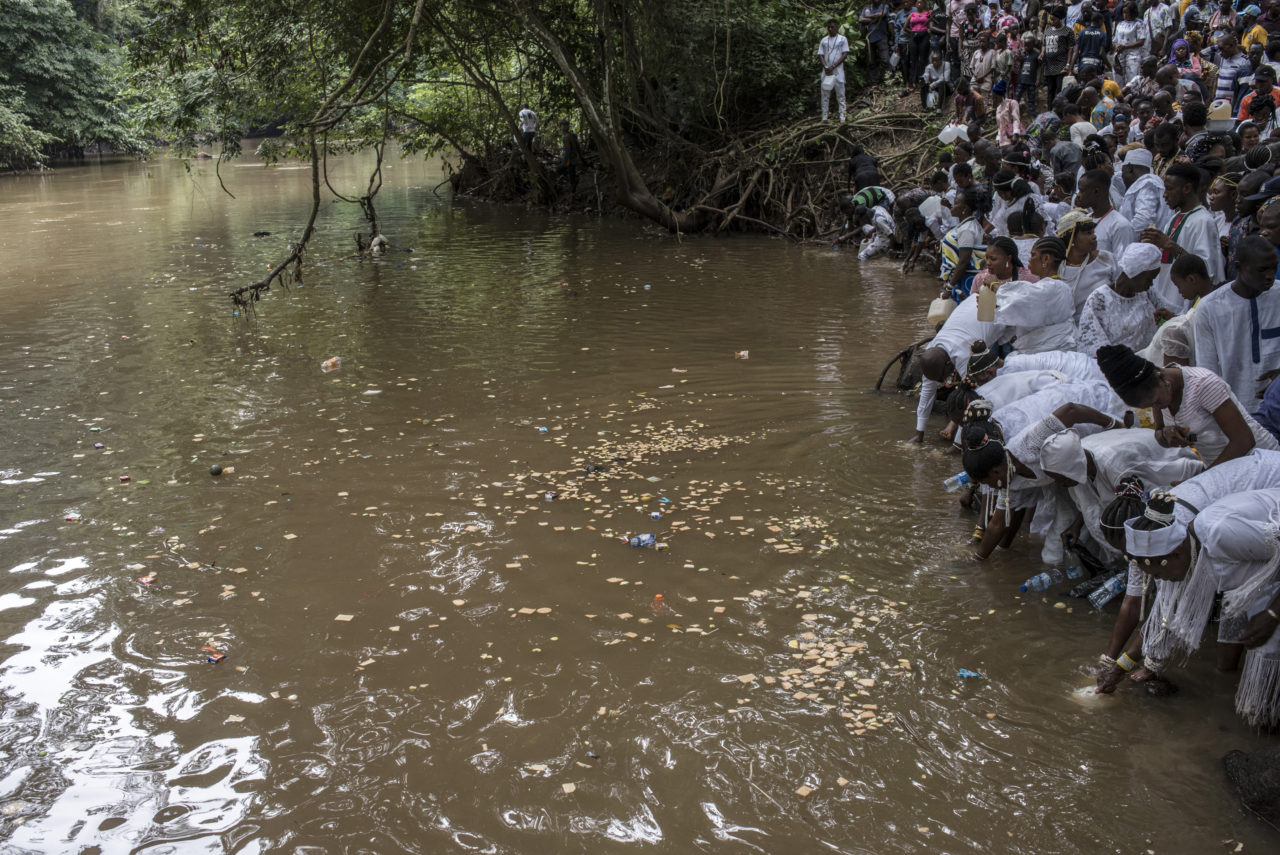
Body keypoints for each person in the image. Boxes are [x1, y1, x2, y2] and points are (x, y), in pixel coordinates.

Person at [1096, 344, 1280, 466]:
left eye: (1156, 402)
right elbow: (1160, 434)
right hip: (1221, 467)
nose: (1157, 407)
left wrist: (1207, 479)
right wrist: (1167, 435)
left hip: (1258, 460)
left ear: (1161, 378)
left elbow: (1244, 440)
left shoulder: (1203, 384)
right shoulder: (1156, 393)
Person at [911, 291, 1012, 443]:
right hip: (975, 309)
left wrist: (957, 444)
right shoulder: (932, 354)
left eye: (942, 378)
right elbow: (927, 394)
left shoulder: (965, 355)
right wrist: (919, 434)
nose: (942, 382)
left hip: (1000, 309)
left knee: (998, 377)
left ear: (948, 364)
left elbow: (973, 400)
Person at [1193, 235, 1280, 406]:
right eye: (1262, 270)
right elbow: (1207, 372)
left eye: (1274, 268)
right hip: (1236, 410)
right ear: (1239, 267)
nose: (1270, 276)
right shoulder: (1209, 308)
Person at [1143, 162, 1224, 314]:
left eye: (1169, 189)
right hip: (1165, 300)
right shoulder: (1174, 218)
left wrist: (1170, 245)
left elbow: (1205, 272)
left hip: (1184, 307)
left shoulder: (1203, 221)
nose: (1164, 194)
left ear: (1186, 188)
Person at [994, 235, 1079, 353]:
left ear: (1046, 259)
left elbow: (1018, 302)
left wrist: (994, 288)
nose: (1029, 259)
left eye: (1033, 255)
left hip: (1051, 352)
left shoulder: (1052, 287)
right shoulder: (1056, 287)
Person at [1077, 242, 1162, 356]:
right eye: (1149, 279)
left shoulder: (1147, 294)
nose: (1151, 284)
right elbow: (1094, 346)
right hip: (1116, 367)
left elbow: (1168, 313)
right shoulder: (1100, 299)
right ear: (1136, 273)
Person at [1140, 253, 1216, 368]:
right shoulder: (1202, 298)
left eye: (1179, 286)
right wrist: (1174, 318)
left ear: (1191, 279)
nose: (1180, 292)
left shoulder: (1211, 304)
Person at [1057, 208, 1115, 319]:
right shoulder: (1058, 267)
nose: (1094, 236)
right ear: (1071, 239)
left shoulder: (1106, 259)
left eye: (1093, 232)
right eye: (1088, 233)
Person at [940, 186, 990, 302]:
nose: (952, 206)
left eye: (956, 203)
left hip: (966, 280)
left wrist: (949, 287)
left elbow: (964, 261)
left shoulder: (966, 230)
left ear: (965, 209)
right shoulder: (968, 224)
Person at [1077, 168, 1135, 257]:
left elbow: (1122, 265)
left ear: (1096, 191)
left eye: (1082, 191)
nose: (1078, 196)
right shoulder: (1085, 220)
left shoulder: (1120, 225)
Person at [1119, 147, 1170, 231]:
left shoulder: (1147, 185)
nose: (1122, 177)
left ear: (1130, 168)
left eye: (1123, 171)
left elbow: (1144, 220)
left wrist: (1125, 236)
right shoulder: (1146, 184)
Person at [1041, 6, 1075, 105]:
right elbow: (1044, 44)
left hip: (1061, 65)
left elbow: (1071, 48)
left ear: (1060, 19)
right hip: (1048, 66)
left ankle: (1058, 111)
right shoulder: (1048, 31)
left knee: (1059, 90)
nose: (1051, 22)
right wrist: (1042, 53)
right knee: (1050, 90)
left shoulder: (1067, 31)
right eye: (1050, 19)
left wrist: (1068, 64)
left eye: (1054, 19)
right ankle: (1050, 111)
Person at [817, 18, 850, 122]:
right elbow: (820, 55)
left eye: (832, 27)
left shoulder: (842, 39)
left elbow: (845, 55)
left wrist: (833, 66)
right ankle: (824, 118)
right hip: (826, 72)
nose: (830, 29)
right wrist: (826, 67)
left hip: (838, 72)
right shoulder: (824, 40)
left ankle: (842, 118)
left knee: (840, 95)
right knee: (825, 95)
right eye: (829, 27)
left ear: (837, 27)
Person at [1113, 2, 1148, 84]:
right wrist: (1116, 45)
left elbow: (1141, 41)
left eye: (1127, 12)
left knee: (1132, 78)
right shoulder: (1120, 24)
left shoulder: (1139, 24)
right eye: (1123, 13)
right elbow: (1115, 40)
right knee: (1118, 77)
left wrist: (1125, 46)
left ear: (1132, 12)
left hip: (1133, 55)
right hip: (1120, 55)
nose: (1125, 15)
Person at [861, 2, 893, 83]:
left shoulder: (884, 6)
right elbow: (860, 19)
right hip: (869, 38)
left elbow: (882, 14)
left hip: (882, 37)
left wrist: (868, 17)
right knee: (871, 61)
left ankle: (889, 81)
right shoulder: (866, 8)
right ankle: (873, 82)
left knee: (885, 59)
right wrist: (875, 17)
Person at [559, 120, 584, 192]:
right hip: (575, 158)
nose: (563, 127)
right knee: (572, 173)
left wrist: (563, 163)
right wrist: (580, 156)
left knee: (571, 175)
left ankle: (573, 191)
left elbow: (567, 151)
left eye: (564, 125)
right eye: (563, 125)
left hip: (570, 159)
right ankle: (575, 185)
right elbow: (578, 146)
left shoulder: (566, 137)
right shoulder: (573, 135)